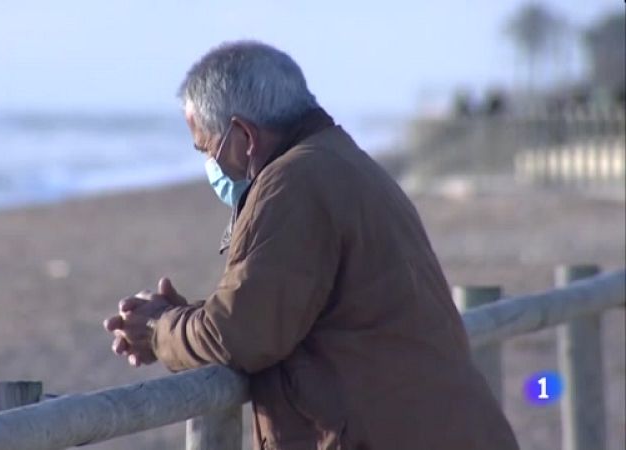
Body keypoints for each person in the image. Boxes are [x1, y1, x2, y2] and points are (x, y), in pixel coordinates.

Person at [103, 41, 519, 450]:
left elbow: (242, 335)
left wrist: (158, 329)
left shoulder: (292, 184)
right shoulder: (342, 160)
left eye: (207, 148)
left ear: (244, 135)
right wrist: (189, 319)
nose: (209, 165)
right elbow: (293, 309)